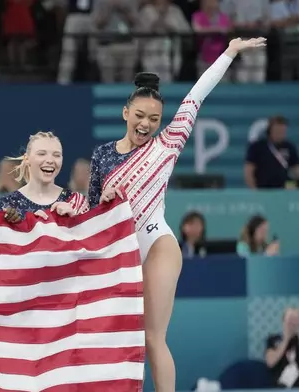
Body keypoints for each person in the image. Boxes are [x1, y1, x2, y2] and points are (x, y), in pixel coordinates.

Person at [87, 37, 267, 391]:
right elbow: (91, 215)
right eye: (139, 116)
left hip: (157, 242)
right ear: (125, 113)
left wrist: (229, 53)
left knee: (153, 337)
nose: (145, 124)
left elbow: (195, 97)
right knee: (125, 342)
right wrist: (104, 199)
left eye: (153, 118)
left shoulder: (167, 144)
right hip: (117, 252)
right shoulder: (102, 156)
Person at [0, 131, 89, 222]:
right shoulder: (8, 203)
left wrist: (74, 220)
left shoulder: (77, 201)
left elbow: (92, 238)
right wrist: (18, 226)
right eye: (42, 154)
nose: (50, 160)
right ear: (27, 159)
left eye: (56, 155)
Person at [266, 307, 299, 388]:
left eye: (296, 319)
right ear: (283, 321)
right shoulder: (274, 339)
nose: (293, 323)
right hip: (279, 386)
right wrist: (286, 339)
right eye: (290, 320)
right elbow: (270, 362)